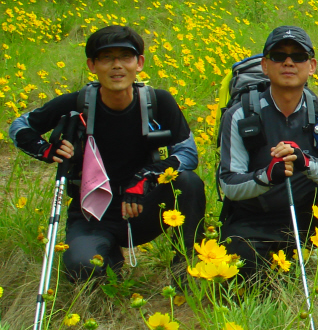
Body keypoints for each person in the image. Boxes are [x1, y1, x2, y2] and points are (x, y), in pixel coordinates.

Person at [10, 25, 205, 281]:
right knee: (83, 269)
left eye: (126, 57)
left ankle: (185, 269)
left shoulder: (158, 102)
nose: (117, 66)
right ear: (92, 65)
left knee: (189, 182)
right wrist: (47, 150)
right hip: (92, 214)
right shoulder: (76, 103)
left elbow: (188, 154)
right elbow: (19, 127)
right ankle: (109, 258)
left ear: (139, 63)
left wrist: (146, 177)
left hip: (142, 208)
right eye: (106, 58)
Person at [219, 26, 318, 276]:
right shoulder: (240, 115)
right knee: (243, 270)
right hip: (256, 217)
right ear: (265, 65)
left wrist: (305, 163)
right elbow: (228, 184)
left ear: (311, 66)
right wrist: (267, 176)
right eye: (279, 55)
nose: (289, 62)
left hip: (309, 214)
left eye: (298, 57)